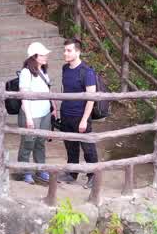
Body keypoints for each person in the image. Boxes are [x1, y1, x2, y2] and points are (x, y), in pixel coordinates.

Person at [57, 38, 98, 187]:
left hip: (81, 115)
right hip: (66, 114)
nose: (65, 53)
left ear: (78, 52)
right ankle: (72, 173)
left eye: (69, 50)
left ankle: (93, 175)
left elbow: (91, 98)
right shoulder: (65, 68)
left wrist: (84, 119)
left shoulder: (87, 72)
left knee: (88, 147)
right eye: (65, 50)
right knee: (70, 146)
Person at [16, 42, 53, 184]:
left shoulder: (43, 71)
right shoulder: (26, 73)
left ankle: (41, 169)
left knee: (40, 142)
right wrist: (29, 118)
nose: (46, 56)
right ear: (34, 56)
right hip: (31, 113)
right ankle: (25, 171)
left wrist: (53, 107)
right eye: (42, 54)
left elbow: (47, 90)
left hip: (44, 113)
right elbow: (24, 95)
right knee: (28, 142)